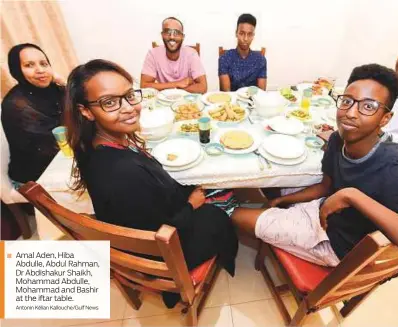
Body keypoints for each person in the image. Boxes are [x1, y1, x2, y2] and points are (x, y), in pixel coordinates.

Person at [231, 64, 398, 295]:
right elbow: (326, 186)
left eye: (368, 106)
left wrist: (354, 196)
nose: (350, 113)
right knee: (269, 183)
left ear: (385, 118)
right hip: (324, 210)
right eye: (347, 101)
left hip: (335, 244)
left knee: (235, 214)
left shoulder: (397, 167)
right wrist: (285, 201)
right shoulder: (338, 140)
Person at [64, 59, 237, 307]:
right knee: (223, 210)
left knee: (211, 189)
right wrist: (192, 204)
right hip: (163, 254)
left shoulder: (92, 144)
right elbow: (159, 235)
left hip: (147, 225)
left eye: (129, 96)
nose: (129, 109)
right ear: (86, 111)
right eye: (109, 102)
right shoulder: (123, 173)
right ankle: (180, 285)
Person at [1, 43, 65, 187]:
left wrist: (63, 83)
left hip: (60, 160)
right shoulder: (17, 105)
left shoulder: (55, 89)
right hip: (34, 179)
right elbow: (50, 149)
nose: (40, 70)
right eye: (29, 65)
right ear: (17, 70)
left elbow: (83, 110)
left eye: (44, 63)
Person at [140, 17, 207, 94]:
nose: (172, 37)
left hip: (186, 101)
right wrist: (177, 84)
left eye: (177, 33)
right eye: (167, 32)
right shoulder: (153, 54)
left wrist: (174, 91)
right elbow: (144, 85)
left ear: (182, 37)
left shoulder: (192, 54)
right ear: (162, 35)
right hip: (163, 101)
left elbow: (203, 87)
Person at [219, 13, 267, 92]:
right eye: (241, 33)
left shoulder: (260, 59)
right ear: (236, 33)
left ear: (253, 36)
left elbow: (261, 93)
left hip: (253, 102)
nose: (245, 38)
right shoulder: (224, 58)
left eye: (249, 34)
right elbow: (227, 93)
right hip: (232, 102)